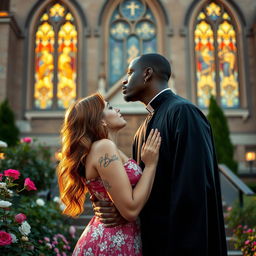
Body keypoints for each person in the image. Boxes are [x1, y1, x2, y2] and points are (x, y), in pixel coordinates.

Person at [93, 53, 228, 256]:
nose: (124, 80)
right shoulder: (143, 128)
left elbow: (193, 191)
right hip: (153, 242)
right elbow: (145, 190)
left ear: (147, 74)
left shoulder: (183, 113)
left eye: (130, 73)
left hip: (182, 245)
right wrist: (124, 212)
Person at [57, 93, 161, 255]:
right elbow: (130, 210)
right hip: (109, 244)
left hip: (119, 239)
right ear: (101, 120)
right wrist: (151, 165)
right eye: (111, 108)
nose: (118, 109)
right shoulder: (104, 147)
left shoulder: (104, 148)